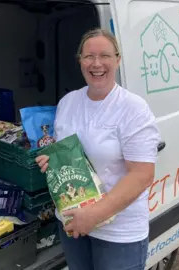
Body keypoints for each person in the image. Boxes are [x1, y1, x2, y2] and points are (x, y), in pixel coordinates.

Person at [35, 28, 161, 270]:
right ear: (80, 61)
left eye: (104, 56)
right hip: (73, 223)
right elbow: (67, 154)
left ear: (118, 60)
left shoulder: (133, 109)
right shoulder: (68, 102)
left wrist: (94, 216)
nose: (96, 64)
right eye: (88, 56)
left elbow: (142, 175)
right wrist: (52, 161)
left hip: (118, 234)